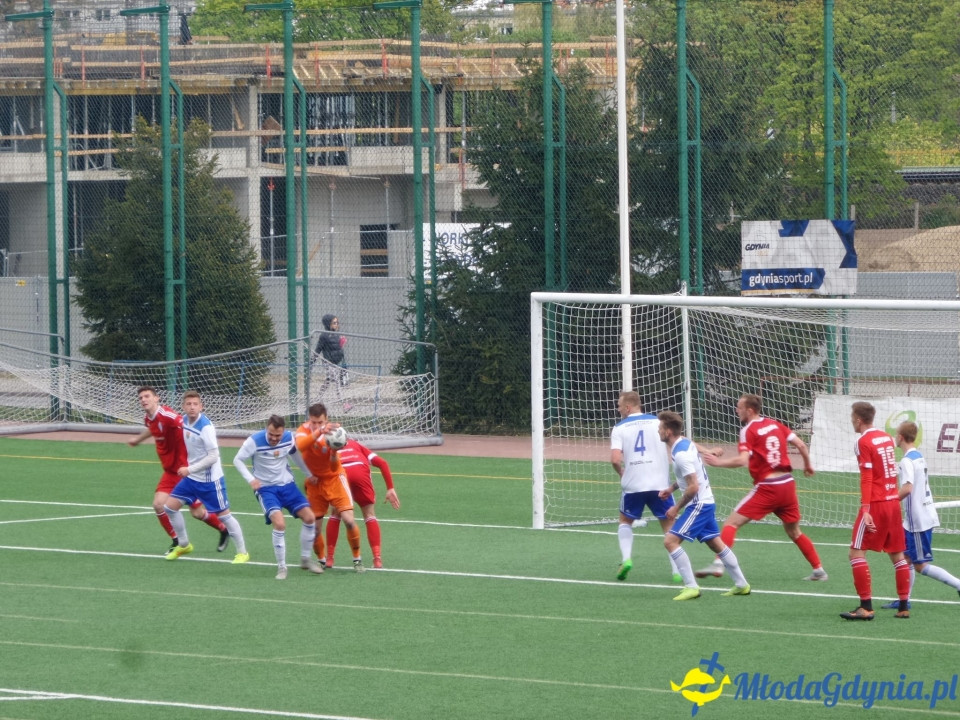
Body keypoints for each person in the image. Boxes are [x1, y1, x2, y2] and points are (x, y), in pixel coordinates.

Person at [699, 393, 827, 581]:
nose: (736, 411)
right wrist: (808, 465)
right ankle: (818, 570)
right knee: (794, 531)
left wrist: (718, 463)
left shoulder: (748, 430)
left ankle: (718, 563)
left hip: (769, 486)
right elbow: (800, 444)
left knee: (731, 523)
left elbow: (743, 460)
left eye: (739, 407)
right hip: (787, 484)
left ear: (749, 410)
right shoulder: (775, 424)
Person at [657, 411, 750, 600]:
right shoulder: (683, 443)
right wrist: (671, 488)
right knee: (716, 544)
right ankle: (742, 584)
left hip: (698, 504)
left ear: (667, 431)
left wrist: (676, 508)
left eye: (660, 428)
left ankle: (691, 587)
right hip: (706, 502)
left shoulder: (681, 453)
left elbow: (693, 486)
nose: (658, 431)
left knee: (670, 542)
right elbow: (688, 478)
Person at [128, 386, 229, 554]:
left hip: (184, 472)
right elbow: (152, 429)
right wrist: (137, 440)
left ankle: (223, 528)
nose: (143, 400)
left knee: (197, 513)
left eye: (147, 396)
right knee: (158, 505)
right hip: (169, 471)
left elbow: (185, 424)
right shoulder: (149, 418)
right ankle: (177, 541)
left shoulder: (168, 416)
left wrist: (197, 452)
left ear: (156, 398)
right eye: (141, 398)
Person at [840, 401, 912, 620]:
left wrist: (866, 508)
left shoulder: (863, 441)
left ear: (859, 420)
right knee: (897, 554)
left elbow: (868, 476)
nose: (852, 420)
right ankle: (903, 606)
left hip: (877, 504)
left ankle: (865, 606)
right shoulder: (885, 438)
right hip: (893, 502)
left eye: (853, 417)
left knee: (856, 552)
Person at [879, 420, 960, 612]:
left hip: (918, 519)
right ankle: (904, 599)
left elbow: (907, 488)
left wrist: (888, 500)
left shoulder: (907, 460)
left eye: (896, 434)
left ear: (900, 437)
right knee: (905, 558)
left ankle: (958, 584)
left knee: (920, 566)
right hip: (916, 517)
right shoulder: (918, 456)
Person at [233, 415, 325, 579]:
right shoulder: (254, 441)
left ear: (283, 432)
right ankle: (282, 567)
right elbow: (237, 460)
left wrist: (308, 474)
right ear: (267, 429)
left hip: (287, 486)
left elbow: (295, 455)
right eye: (271, 434)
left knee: (310, 518)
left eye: (278, 435)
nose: (274, 438)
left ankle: (305, 559)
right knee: (280, 524)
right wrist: (251, 479)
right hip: (266, 489)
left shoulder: (289, 438)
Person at [164, 390, 250, 564]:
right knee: (170, 507)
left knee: (225, 516)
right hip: (192, 479)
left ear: (201, 406)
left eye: (195, 404)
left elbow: (213, 456)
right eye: (188, 404)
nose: (192, 407)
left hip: (210, 481)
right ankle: (184, 544)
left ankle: (242, 552)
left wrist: (190, 468)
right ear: (184, 406)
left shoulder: (206, 427)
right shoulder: (184, 421)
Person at [609, 391, 681, 583]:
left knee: (625, 521)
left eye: (618, 406)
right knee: (669, 526)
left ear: (627, 407)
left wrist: (622, 473)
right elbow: (675, 444)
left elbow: (615, 459)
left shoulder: (619, 428)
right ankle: (677, 571)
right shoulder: (658, 423)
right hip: (659, 484)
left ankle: (626, 559)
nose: (617, 409)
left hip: (634, 483)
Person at [294, 402, 365, 572]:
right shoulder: (303, 431)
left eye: (320, 422)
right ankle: (322, 561)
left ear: (327, 420)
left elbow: (334, 468)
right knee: (315, 528)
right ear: (308, 420)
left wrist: (333, 453)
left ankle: (357, 560)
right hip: (314, 482)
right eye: (314, 422)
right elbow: (300, 446)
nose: (317, 425)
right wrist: (318, 432)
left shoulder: (335, 434)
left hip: (335, 479)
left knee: (348, 520)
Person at [325, 438, 401, 569]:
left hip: (342, 474)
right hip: (360, 474)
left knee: (336, 514)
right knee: (369, 515)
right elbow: (382, 463)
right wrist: (390, 488)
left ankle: (330, 558)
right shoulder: (357, 445)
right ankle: (377, 559)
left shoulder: (329, 448)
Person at [314, 314, 351, 412]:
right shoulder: (324, 336)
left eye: (337, 322)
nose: (336, 324)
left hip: (335, 362)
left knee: (328, 381)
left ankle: (318, 399)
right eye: (334, 323)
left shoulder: (337, 334)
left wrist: (341, 344)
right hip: (328, 362)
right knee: (337, 382)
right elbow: (318, 349)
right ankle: (344, 404)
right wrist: (312, 362)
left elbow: (337, 348)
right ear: (328, 324)